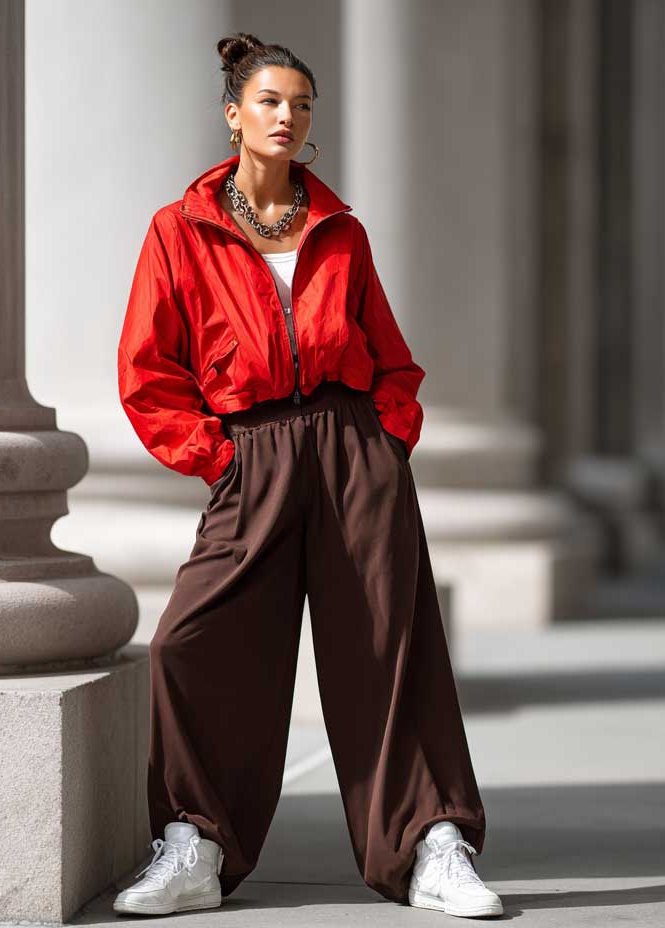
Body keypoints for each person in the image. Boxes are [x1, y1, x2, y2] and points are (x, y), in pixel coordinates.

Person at [112, 33, 503, 920]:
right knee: (190, 642)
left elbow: (393, 361)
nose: (289, 117)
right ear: (233, 114)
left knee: (390, 649)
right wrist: (218, 457)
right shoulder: (181, 230)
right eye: (271, 102)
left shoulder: (340, 230)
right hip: (249, 453)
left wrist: (384, 442)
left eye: (302, 105)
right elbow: (148, 370)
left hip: (352, 448)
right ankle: (195, 841)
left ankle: (431, 845)